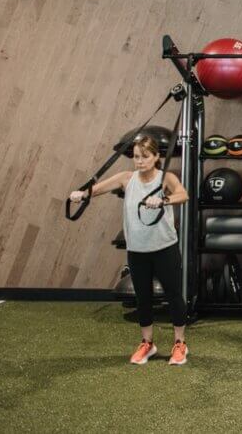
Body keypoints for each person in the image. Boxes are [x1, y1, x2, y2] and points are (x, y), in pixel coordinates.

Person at [69, 134, 190, 366]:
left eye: (145, 157)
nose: (140, 161)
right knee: (142, 298)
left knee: (174, 295)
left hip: (165, 247)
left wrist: (164, 201)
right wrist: (82, 194)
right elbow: (99, 188)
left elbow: (183, 195)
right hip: (137, 250)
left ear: (156, 157)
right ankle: (147, 344)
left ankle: (179, 344)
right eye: (136, 157)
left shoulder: (166, 178)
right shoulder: (127, 179)